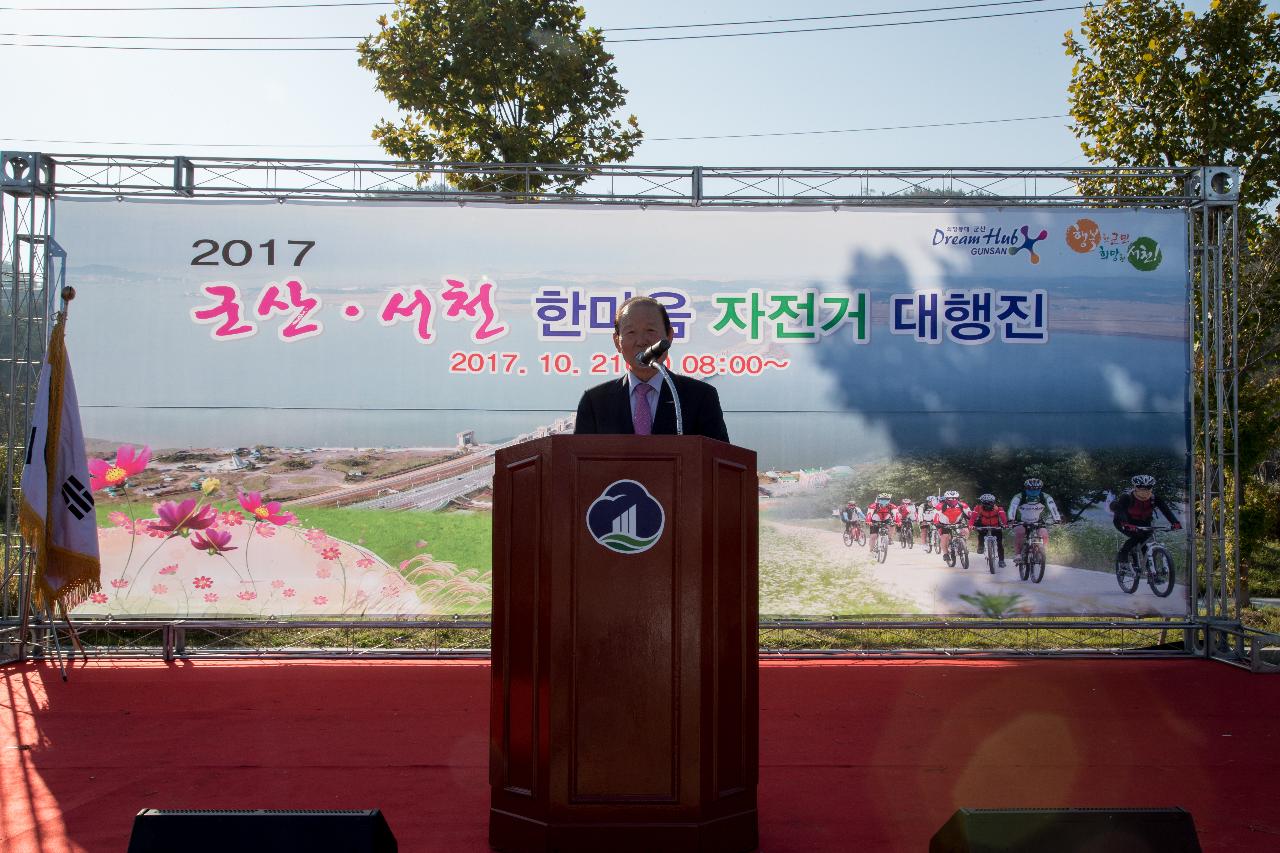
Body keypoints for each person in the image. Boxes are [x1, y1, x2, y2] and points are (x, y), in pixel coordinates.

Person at [574, 295, 729, 441]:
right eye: (631, 332)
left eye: (650, 330)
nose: (641, 341)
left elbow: (720, 461)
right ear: (617, 342)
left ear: (669, 336)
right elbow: (577, 463)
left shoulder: (700, 397)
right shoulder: (595, 402)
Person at [1111, 474, 1182, 568]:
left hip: (1144, 522)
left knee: (1146, 544)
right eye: (1141, 488)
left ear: (1151, 488)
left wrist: (1175, 523)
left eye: (1148, 487)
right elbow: (1120, 511)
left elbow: (1166, 511)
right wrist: (1125, 524)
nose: (1144, 491)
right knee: (1137, 537)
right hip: (1124, 521)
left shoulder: (1154, 498)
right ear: (1135, 487)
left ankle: (1152, 573)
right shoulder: (1127, 497)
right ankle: (1123, 556)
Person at [1007, 478, 1062, 563]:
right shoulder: (1019, 496)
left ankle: (1041, 551)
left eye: (1037, 489)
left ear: (1040, 488)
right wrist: (1011, 518)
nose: (1034, 491)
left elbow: (1053, 508)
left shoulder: (1045, 496)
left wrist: (1057, 519)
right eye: (1031, 489)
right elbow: (1013, 508)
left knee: (1044, 534)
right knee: (1020, 532)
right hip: (1021, 520)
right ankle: (1018, 554)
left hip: (1037, 520)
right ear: (1026, 488)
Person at [969, 493, 1009, 567]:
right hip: (983, 525)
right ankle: (981, 546)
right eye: (985, 503)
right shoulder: (978, 508)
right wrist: (971, 525)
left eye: (990, 503)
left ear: (993, 502)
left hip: (995, 526)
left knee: (999, 544)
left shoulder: (999, 508)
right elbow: (973, 517)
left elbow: (1003, 517)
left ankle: (1001, 560)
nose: (987, 505)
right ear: (982, 503)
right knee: (980, 533)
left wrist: (1005, 524)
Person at [934, 490, 970, 563]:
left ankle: (963, 544)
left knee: (966, 531)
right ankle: (945, 554)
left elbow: (969, 513)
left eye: (955, 498)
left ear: (958, 498)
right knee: (945, 536)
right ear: (946, 499)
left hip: (957, 522)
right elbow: (936, 515)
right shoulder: (940, 506)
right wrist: (936, 523)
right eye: (950, 498)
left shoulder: (962, 505)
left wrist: (973, 520)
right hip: (943, 524)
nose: (953, 500)